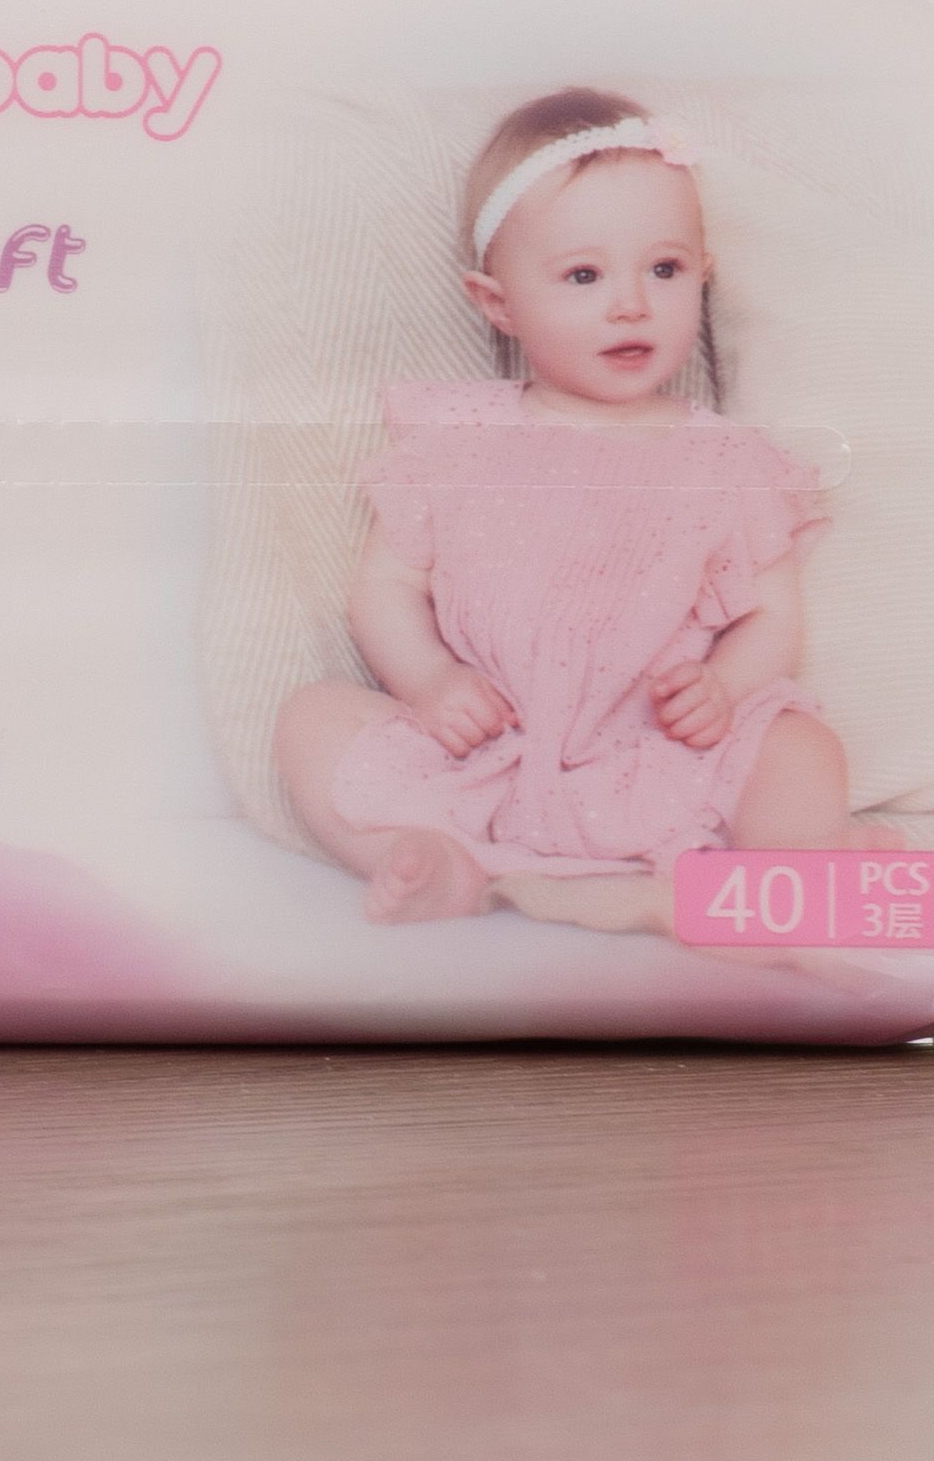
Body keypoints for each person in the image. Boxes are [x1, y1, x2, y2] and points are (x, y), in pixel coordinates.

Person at [276, 88, 851, 930]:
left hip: (658, 748)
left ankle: (770, 899)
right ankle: (443, 863)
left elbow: (773, 613)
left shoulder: (729, 462)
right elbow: (386, 587)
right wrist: (431, 682)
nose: (631, 304)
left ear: (701, 274)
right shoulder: (456, 441)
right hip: (491, 748)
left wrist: (724, 687)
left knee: (801, 747)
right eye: (584, 276)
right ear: (498, 304)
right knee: (311, 722)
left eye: (664, 269)